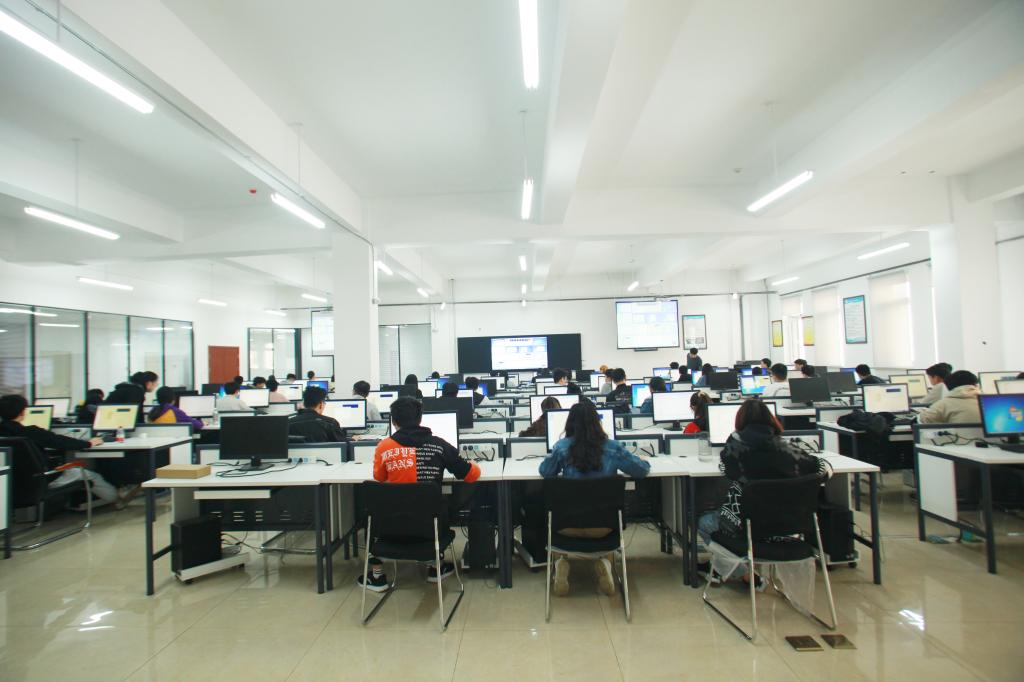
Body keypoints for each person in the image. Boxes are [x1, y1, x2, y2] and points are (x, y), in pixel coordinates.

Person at [697, 400, 827, 582]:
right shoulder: (788, 448)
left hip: (748, 527)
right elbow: (821, 468)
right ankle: (738, 572)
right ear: (771, 420)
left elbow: (728, 469)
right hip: (788, 524)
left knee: (704, 521)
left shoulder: (735, 445)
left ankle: (745, 574)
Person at [360, 397, 481, 590]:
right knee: (438, 505)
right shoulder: (439, 445)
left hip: (390, 528)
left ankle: (377, 576)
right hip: (430, 528)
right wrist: (474, 464)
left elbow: (379, 477)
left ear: (394, 421)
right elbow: (470, 475)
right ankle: (434, 567)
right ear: (420, 419)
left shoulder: (384, 447)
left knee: (377, 510)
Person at [539, 400, 650, 596]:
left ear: (570, 423)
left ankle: (562, 563)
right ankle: (604, 562)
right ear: (597, 422)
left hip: (566, 526)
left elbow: (545, 471)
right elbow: (641, 471)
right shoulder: (613, 448)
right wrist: (644, 460)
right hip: (605, 527)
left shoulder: (562, 448)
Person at [0, 394, 119, 506]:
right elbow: (60, 442)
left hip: (9, 480)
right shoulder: (31, 432)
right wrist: (89, 443)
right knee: (92, 476)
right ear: (23, 412)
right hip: (42, 479)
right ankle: (116, 499)